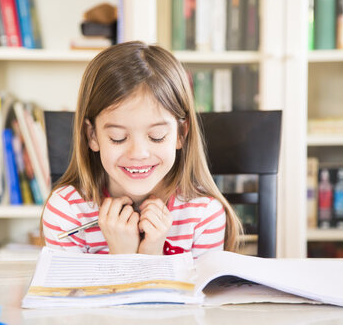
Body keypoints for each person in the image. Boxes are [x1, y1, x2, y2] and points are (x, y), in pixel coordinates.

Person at [41, 41, 243, 258]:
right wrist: (122, 255)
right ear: (92, 135)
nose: (138, 153)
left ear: (181, 134)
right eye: (118, 138)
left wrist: (152, 253)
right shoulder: (67, 212)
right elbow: (69, 291)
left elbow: (196, 292)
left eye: (157, 137)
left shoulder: (203, 215)